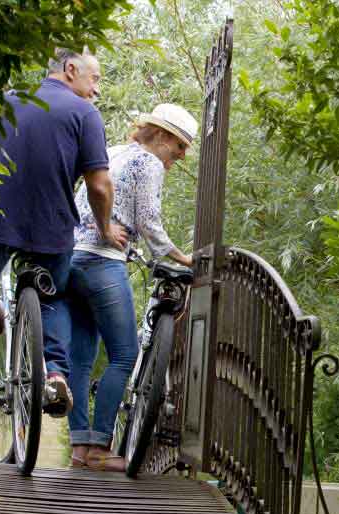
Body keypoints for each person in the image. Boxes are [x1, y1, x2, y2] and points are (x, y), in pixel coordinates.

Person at [0, 48, 127, 417]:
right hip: (51, 227)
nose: (96, 91)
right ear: (71, 69)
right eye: (94, 79)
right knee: (52, 295)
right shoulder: (84, 114)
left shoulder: (4, 102)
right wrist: (106, 227)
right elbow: (99, 185)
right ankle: (55, 374)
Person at [66, 103, 198, 470]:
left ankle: (79, 448)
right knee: (124, 354)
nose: (182, 156)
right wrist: (184, 259)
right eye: (180, 146)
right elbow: (150, 222)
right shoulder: (149, 164)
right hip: (103, 264)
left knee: (81, 357)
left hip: (73, 259)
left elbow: (84, 201)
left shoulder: (112, 153)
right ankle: (99, 448)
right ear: (163, 136)